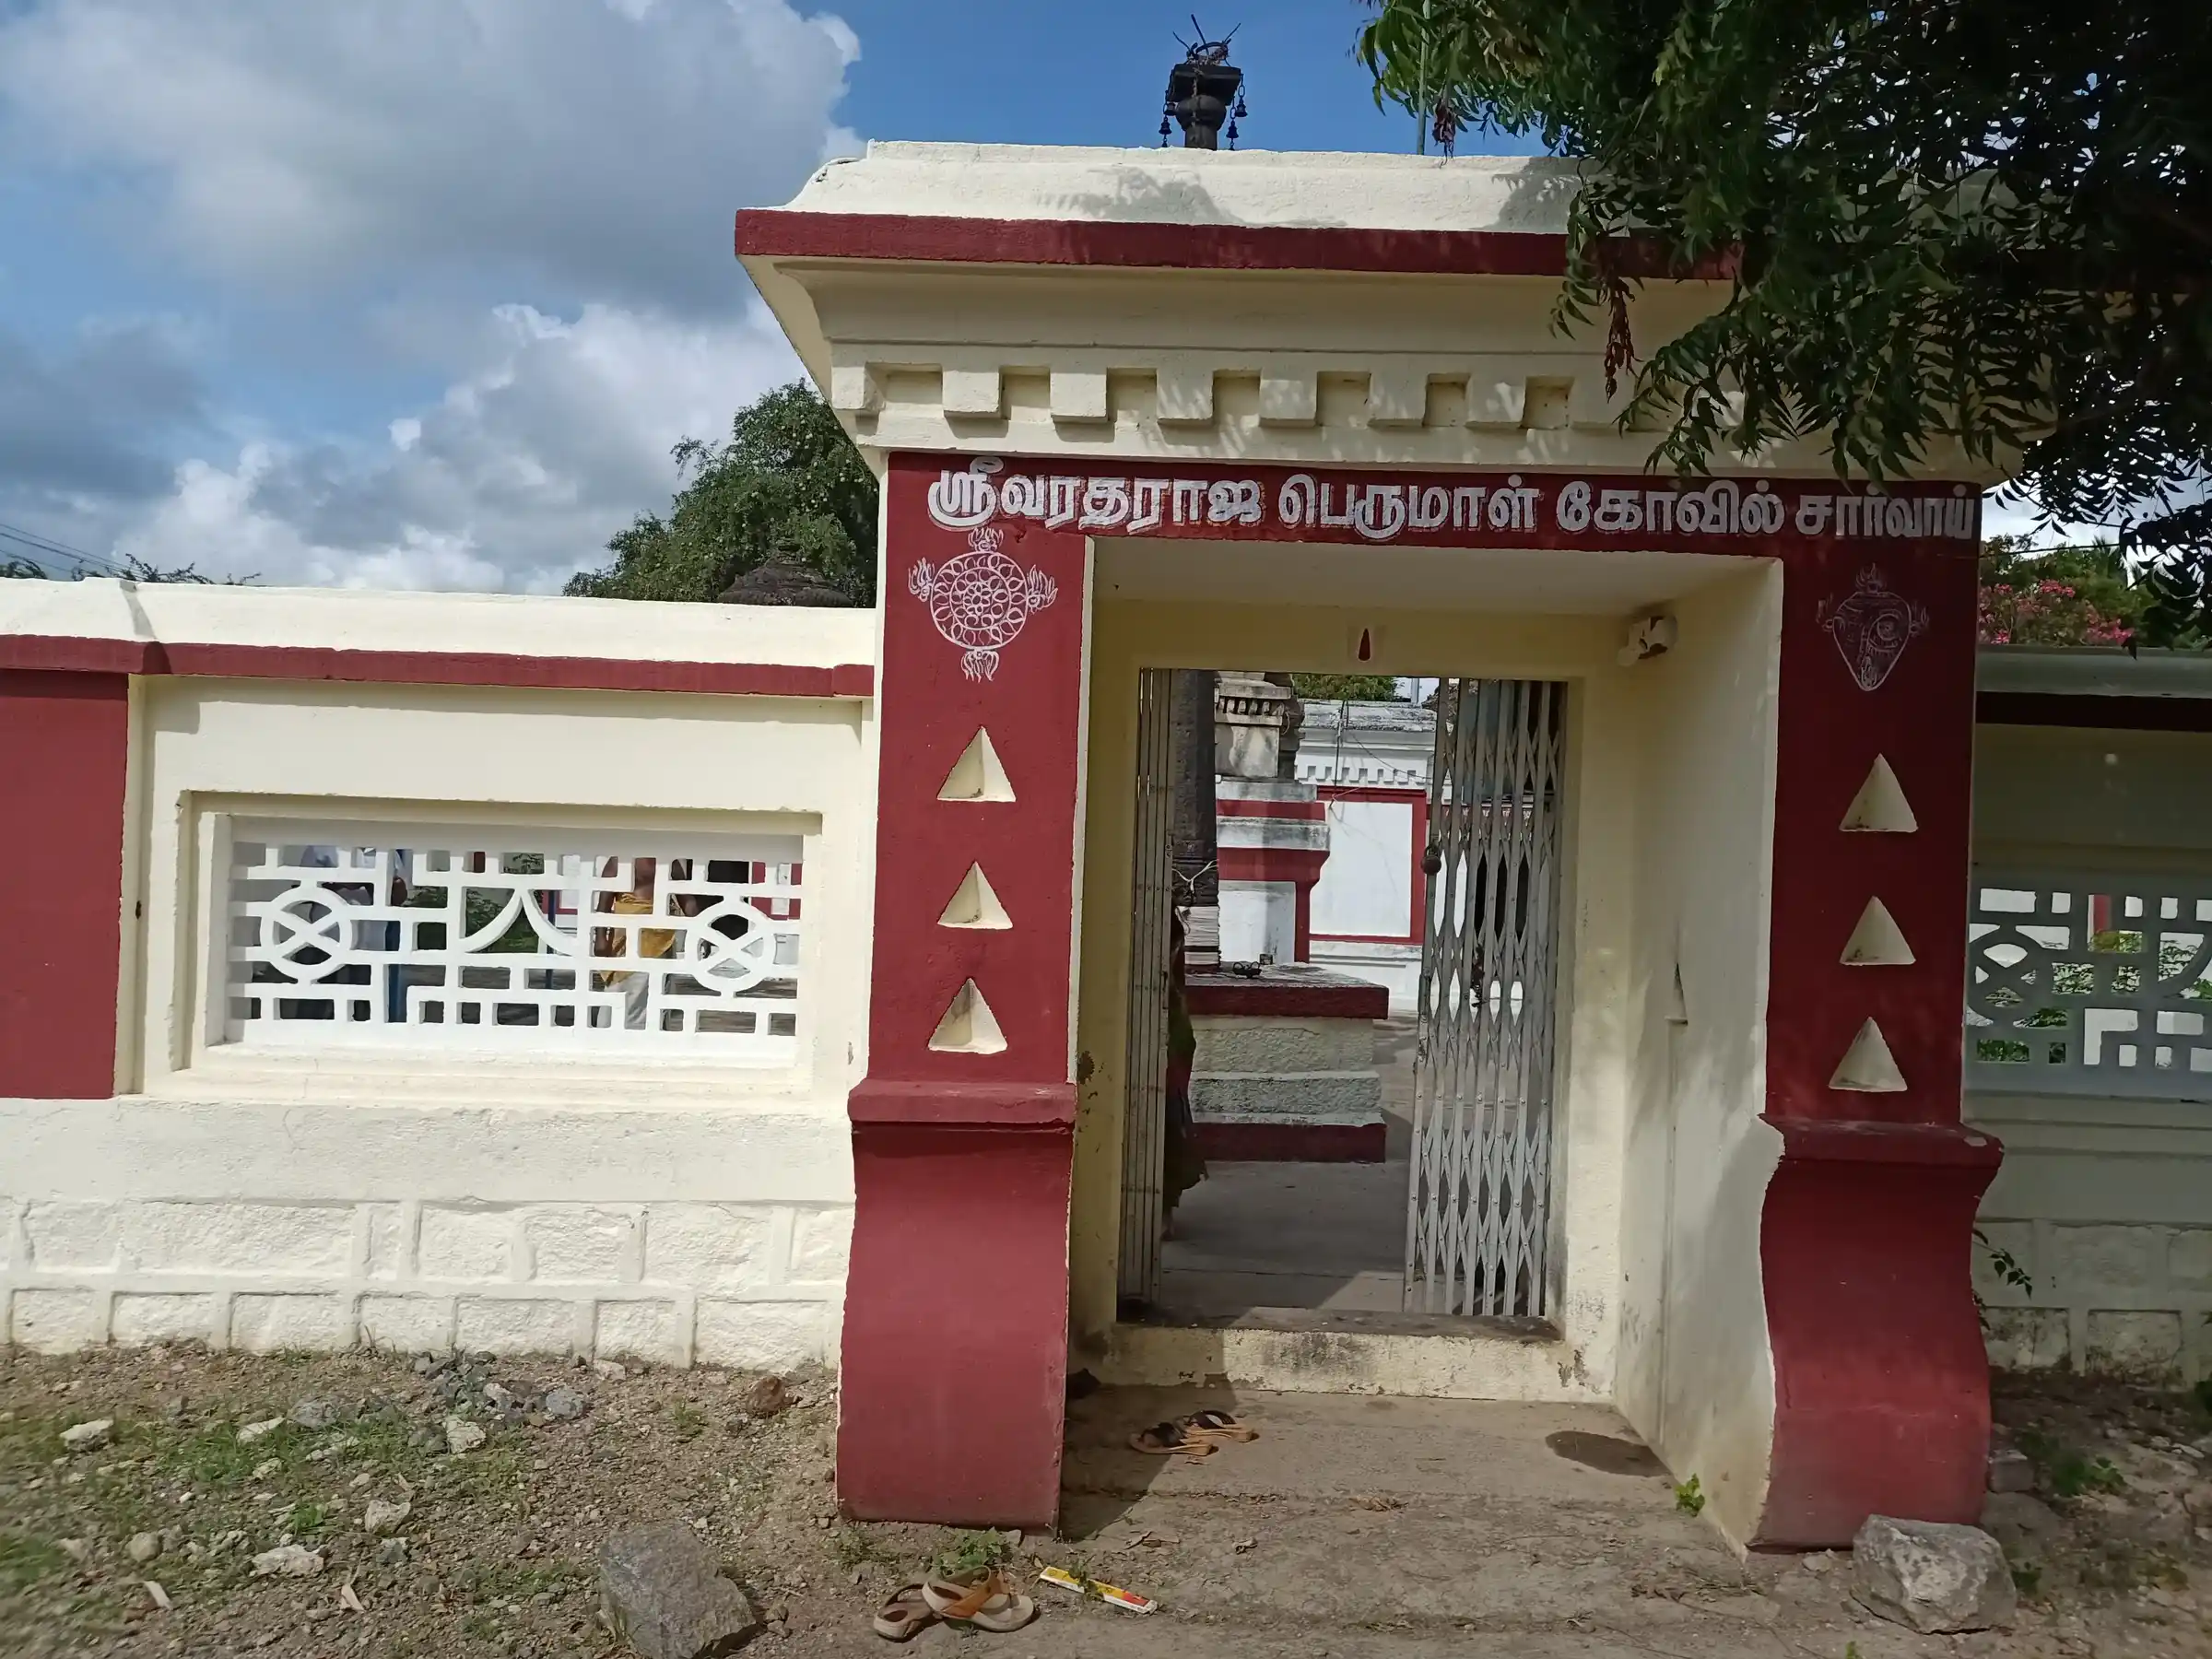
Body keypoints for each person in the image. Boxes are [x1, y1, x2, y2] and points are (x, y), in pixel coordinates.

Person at [1162, 908, 1207, 1225]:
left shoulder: (1166, 928)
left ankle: (1165, 1204)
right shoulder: (1170, 925)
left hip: (1170, 1034)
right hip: (1172, 1031)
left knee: (1166, 1117)